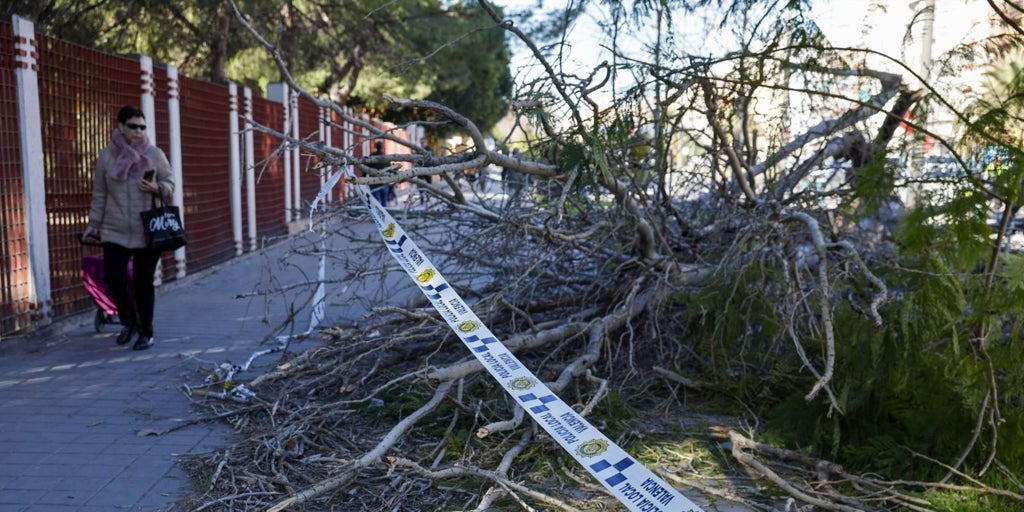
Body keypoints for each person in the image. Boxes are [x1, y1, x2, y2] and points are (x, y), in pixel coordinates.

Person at [82, 105, 173, 351]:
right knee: (114, 277)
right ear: (121, 127)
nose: (139, 131)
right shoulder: (106, 157)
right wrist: (93, 225)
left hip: (147, 230)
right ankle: (129, 321)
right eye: (133, 126)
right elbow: (100, 194)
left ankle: (146, 332)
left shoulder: (154, 154)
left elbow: (170, 181)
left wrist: (158, 189)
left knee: (144, 282)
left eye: (143, 127)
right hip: (114, 228)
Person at [367, 140, 390, 207]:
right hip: (384, 181)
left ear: (375, 147)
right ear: (382, 147)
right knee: (384, 201)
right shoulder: (386, 157)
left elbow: (366, 168)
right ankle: (384, 215)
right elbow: (390, 169)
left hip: (374, 181)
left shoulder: (371, 156)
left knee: (375, 201)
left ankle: (377, 215)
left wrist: (364, 177)